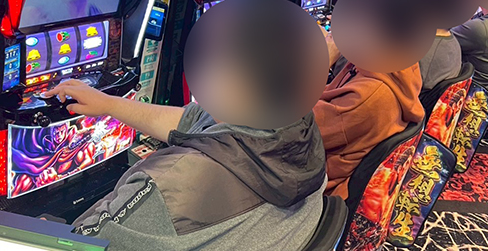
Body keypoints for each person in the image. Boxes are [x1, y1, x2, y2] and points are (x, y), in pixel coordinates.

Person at [45, 79, 326, 250]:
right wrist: (110, 104)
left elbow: (82, 245)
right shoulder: (301, 129)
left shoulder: (170, 187)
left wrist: (40, 231)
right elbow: (188, 120)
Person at [313, 28, 424, 199]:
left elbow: (292, 129)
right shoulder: (391, 66)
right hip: (323, 155)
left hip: (317, 182)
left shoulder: (368, 96)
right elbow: (330, 94)